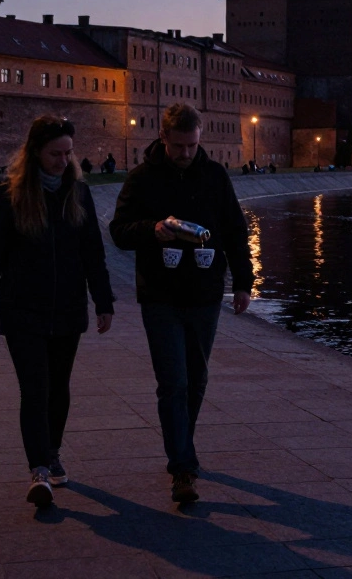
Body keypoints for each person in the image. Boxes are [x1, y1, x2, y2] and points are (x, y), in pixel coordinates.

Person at [109, 103, 254, 504]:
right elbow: (119, 231)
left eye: (193, 145)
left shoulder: (214, 176)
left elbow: (235, 231)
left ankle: (181, 449)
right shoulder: (142, 179)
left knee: (197, 379)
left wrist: (243, 282)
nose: (187, 153)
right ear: (163, 138)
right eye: (179, 146)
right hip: (160, 295)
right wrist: (151, 230)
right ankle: (183, 468)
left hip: (206, 294)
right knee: (173, 381)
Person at [0, 116, 115, 508]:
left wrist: (104, 302)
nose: (62, 160)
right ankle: (38, 469)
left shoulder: (79, 194)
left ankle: (51, 450)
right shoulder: (10, 194)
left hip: (68, 307)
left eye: (68, 153)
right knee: (35, 388)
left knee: (59, 387)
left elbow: (93, 254)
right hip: (23, 308)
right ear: (35, 151)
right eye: (55, 153)